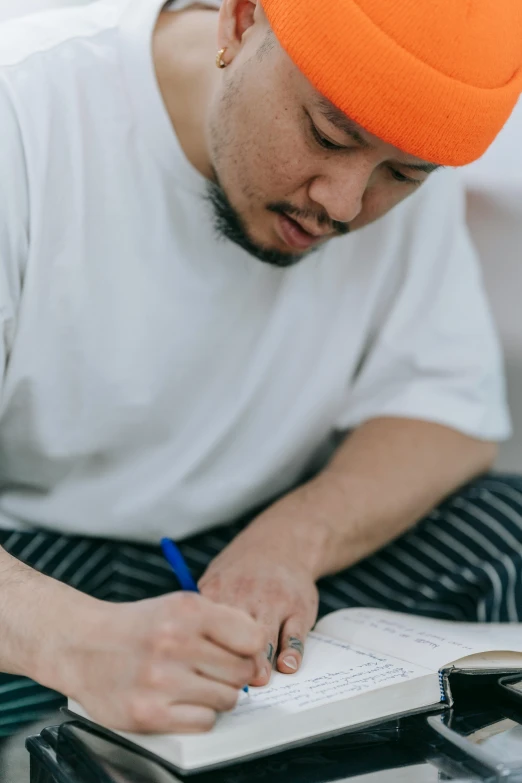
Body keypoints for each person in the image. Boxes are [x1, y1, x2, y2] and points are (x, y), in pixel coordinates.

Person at [0, 0, 521, 740]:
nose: (341, 204)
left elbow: (446, 415)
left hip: (260, 553)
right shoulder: (22, 112)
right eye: (327, 134)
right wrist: (74, 640)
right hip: (32, 567)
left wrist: (290, 544)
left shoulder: (393, 154)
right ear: (241, 21)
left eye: (402, 174)